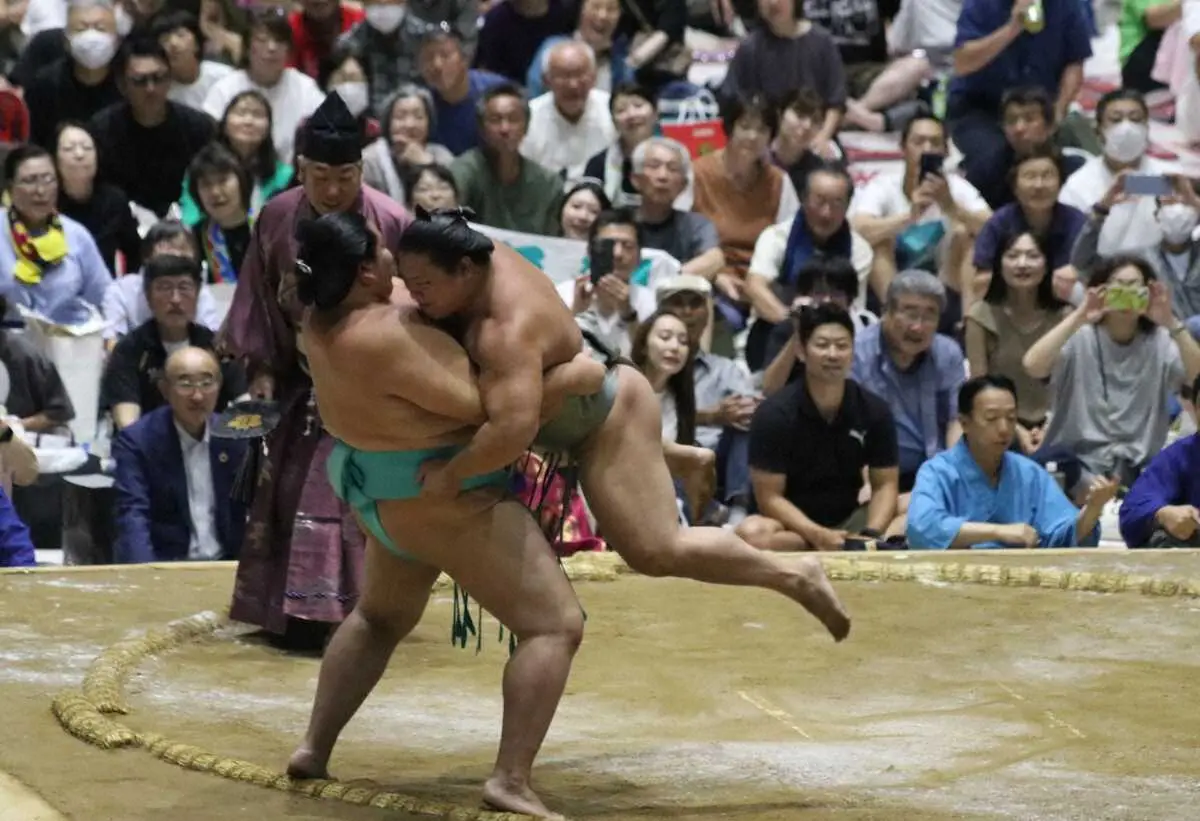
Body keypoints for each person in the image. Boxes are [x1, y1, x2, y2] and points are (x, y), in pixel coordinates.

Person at [396, 207, 852, 640]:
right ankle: (674, 454)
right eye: (408, 279)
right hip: (586, 394)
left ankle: (794, 573)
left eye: (423, 284)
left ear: (465, 270)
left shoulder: (503, 331)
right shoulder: (477, 249)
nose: (414, 295)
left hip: (606, 417)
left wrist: (450, 475)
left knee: (655, 550)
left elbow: (511, 433)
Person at [286, 210, 603, 818]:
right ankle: (510, 779)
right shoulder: (388, 332)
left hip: (384, 498)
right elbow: (493, 413)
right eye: (383, 256)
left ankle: (313, 747)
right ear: (362, 272)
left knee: (379, 617)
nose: (395, 265)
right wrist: (569, 378)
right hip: (445, 496)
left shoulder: (319, 318)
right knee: (554, 626)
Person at [217, 90, 411, 649]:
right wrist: (263, 372)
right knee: (290, 493)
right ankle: (296, 614)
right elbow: (257, 295)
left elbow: (414, 309)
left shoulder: (389, 222)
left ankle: (362, 616)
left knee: (348, 497)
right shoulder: (277, 216)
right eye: (320, 176)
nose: (332, 190)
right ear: (300, 168)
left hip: (372, 386)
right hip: (299, 379)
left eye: (345, 176)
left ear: (361, 170)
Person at [906, 375, 1115, 549]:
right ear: (965, 423)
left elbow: (1060, 536)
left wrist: (1091, 510)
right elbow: (922, 528)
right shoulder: (937, 472)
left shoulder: (1029, 473)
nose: (1004, 428)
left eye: (1011, 417)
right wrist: (999, 532)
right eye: (991, 418)